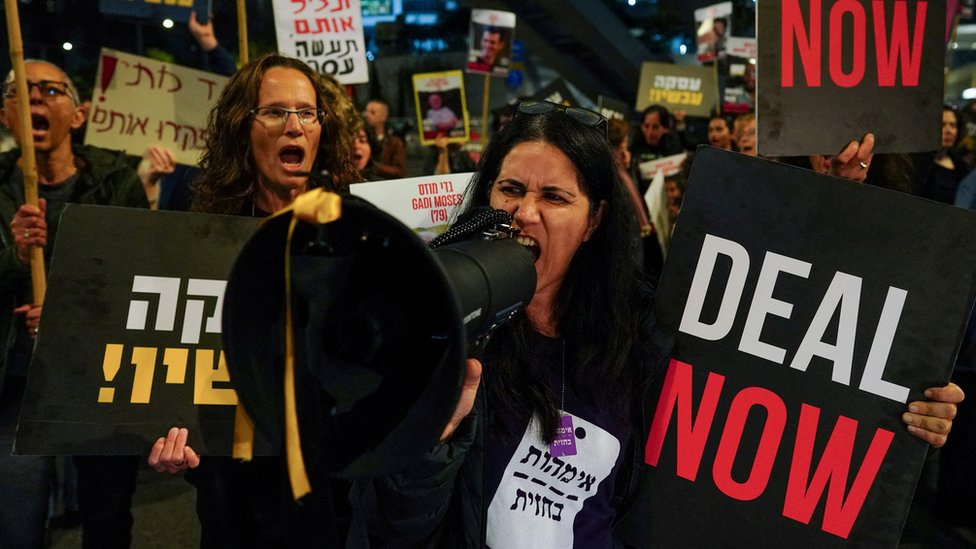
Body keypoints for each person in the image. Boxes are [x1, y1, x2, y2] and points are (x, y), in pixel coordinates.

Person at [350, 100, 964, 547]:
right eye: (510, 189)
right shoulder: (450, 339)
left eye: (556, 198)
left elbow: (795, 371)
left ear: (594, 222)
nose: (525, 213)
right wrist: (429, 441)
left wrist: (901, 404)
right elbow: (390, 529)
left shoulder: (648, 332)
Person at [148, 53, 359, 547]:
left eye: (307, 113)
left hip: (336, 494)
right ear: (242, 127)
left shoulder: (360, 231)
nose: (295, 126)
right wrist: (162, 430)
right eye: (275, 111)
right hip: (233, 496)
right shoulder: (199, 242)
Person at [0, 60, 148, 549]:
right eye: (18, 92)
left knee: (107, 518)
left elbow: (135, 278)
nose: (34, 99)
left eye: (49, 90)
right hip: (17, 386)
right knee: (17, 523)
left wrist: (66, 311)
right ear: (5, 116)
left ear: (79, 114)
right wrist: (15, 258)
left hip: (97, 379)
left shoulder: (115, 183)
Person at [914, 106, 969, 204]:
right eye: (942, 125)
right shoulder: (916, 161)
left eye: (953, 125)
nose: (949, 131)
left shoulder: (961, 166)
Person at [630, 104, 684, 193]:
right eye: (646, 126)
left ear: (665, 128)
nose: (649, 132)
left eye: (655, 127)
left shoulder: (674, 145)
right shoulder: (634, 143)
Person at [364, 98, 406, 179]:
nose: (367, 115)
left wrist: (375, 167)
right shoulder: (362, 140)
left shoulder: (395, 142)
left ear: (384, 116)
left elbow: (399, 171)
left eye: (372, 112)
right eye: (366, 112)